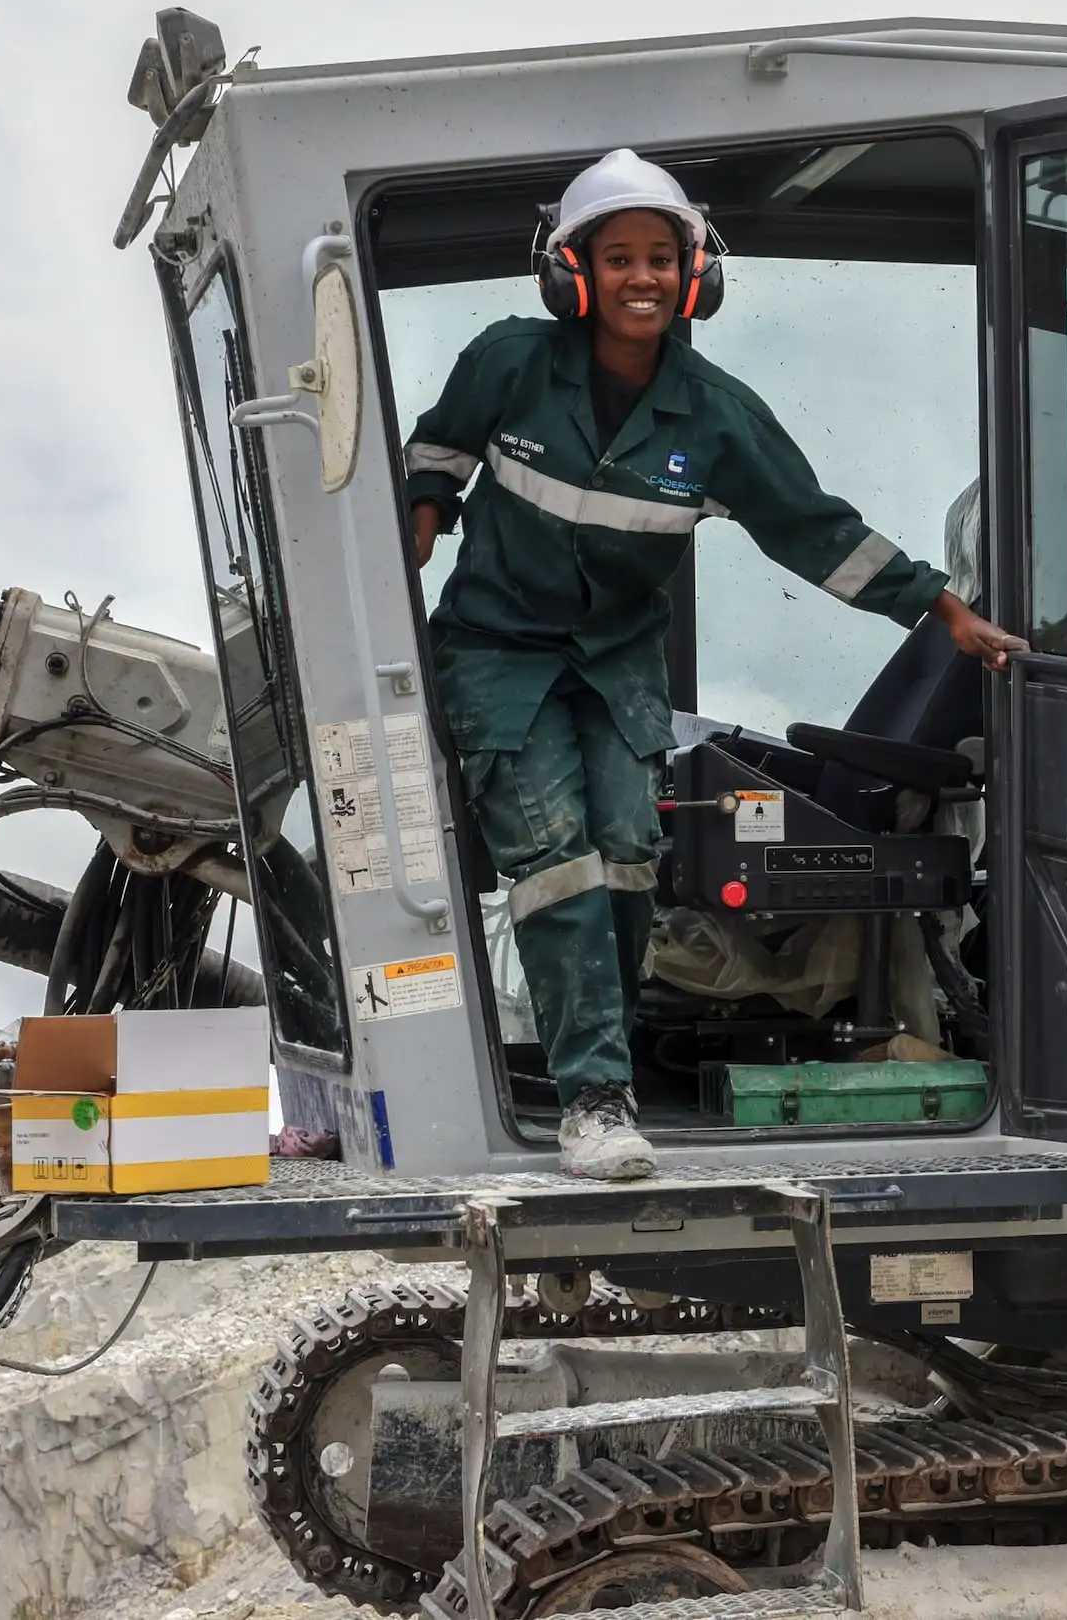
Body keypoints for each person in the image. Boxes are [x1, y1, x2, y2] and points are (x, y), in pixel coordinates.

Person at [401, 148, 1023, 1180]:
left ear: (695, 274)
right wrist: (418, 525)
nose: (640, 277)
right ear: (575, 274)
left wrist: (943, 606)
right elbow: (440, 451)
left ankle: (605, 1067)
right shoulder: (508, 362)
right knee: (556, 854)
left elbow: (813, 530)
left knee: (628, 851)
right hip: (498, 655)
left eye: (660, 256)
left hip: (616, 664)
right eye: (618, 258)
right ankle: (595, 1100)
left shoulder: (717, 416)